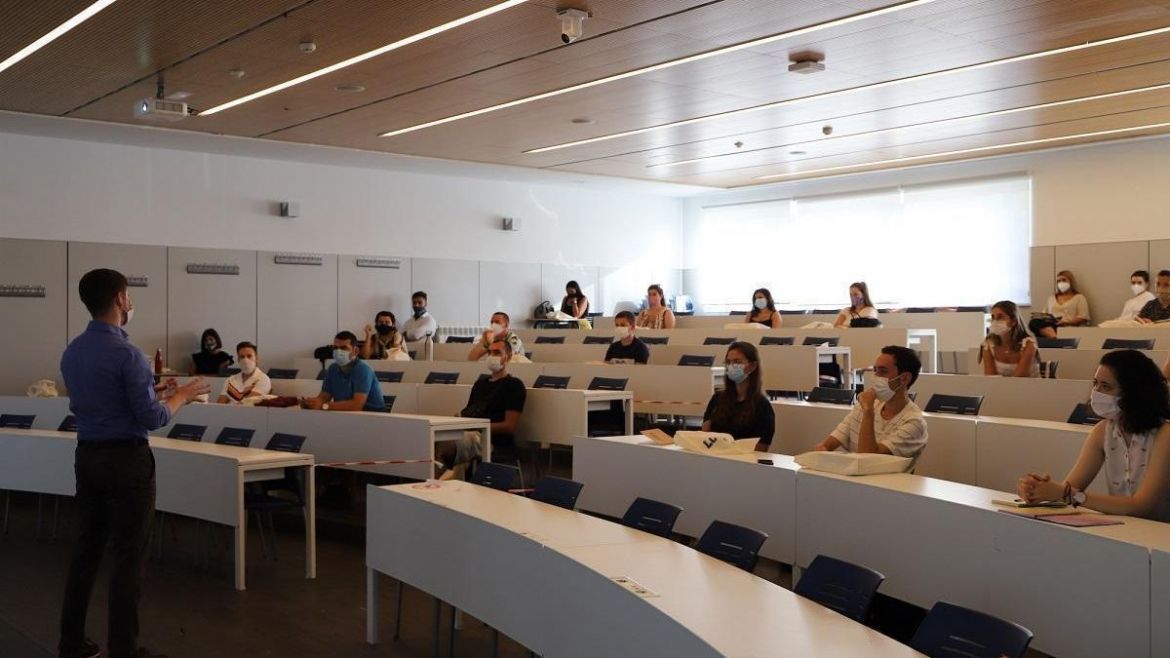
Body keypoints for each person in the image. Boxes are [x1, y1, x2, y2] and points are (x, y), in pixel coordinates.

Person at [60, 268, 209, 658]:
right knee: (128, 556)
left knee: (86, 551)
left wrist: (152, 389)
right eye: (127, 296)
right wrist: (184, 396)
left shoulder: (73, 350)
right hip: (127, 461)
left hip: (88, 456)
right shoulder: (128, 353)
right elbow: (153, 418)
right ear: (121, 299)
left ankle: (71, 643)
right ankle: (123, 649)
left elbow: (96, 400)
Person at [1017, 350, 1170, 521]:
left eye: (1106, 387)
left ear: (1133, 393)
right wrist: (1038, 490)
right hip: (1129, 530)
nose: (1096, 392)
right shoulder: (1102, 431)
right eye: (1095, 384)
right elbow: (1070, 488)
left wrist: (1068, 494)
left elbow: (1142, 506)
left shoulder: (1165, 435)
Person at [811, 346, 927, 467]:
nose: (875, 376)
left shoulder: (914, 423)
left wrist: (868, 411)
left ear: (904, 378)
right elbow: (826, 445)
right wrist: (821, 452)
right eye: (875, 370)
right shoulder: (868, 405)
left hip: (884, 484)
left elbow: (867, 460)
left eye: (883, 371)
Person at [442, 338, 528, 472]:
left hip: (493, 440)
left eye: (497, 352)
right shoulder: (480, 384)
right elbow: (470, 412)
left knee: (444, 443)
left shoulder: (514, 385)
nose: (492, 356)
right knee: (433, 437)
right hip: (471, 433)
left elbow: (510, 426)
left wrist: (477, 426)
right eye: (490, 353)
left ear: (508, 356)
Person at [702, 342, 775, 452]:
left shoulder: (762, 406)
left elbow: (761, 448)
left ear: (752, 366)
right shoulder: (717, 399)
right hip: (714, 458)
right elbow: (704, 436)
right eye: (728, 362)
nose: (731, 366)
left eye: (737, 362)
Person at [300, 331, 385, 412]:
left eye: (344, 348)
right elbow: (323, 397)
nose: (338, 351)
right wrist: (311, 403)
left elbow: (357, 405)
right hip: (346, 415)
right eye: (336, 348)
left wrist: (323, 406)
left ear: (356, 351)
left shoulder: (363, 369)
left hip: (372, 417)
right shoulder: (333, 368)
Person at [980, 301, 1039, 377]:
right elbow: (991, 379)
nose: (995, 321)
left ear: (1013, 321)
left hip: (1029, 387)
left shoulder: (1029, 344)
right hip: (1000, 387)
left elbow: (1019, 377)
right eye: (993, 317)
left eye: (1000, 317)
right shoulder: (988, 345)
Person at [1030, 270, 1090, 337]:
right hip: (1052, 325)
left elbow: (1083, 317)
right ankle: (1053, 336)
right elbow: (1044, 314)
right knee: (1033, 322)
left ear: (1071, 281)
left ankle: (1055, 337)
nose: (1061, 283)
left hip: (1068, 327)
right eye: (1058, 281)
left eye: (1064, 280)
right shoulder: (1051, 298)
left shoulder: (1079, 298)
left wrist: (1066, 322)